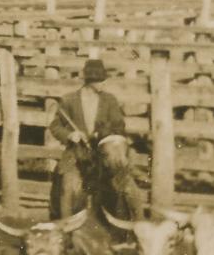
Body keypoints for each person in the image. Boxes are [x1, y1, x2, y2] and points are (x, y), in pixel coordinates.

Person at [48, 58, 145, 222]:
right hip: (77, 154)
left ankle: (139, 223)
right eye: (100, 81)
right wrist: (70, 135)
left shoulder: (110, 100)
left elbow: (118, 126)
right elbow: (55, 127)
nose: (103, 84)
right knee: (67, 186)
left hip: (105, 155)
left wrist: (100, 134)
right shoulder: (69, 100)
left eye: (103, 80)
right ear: (90, 81)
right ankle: (64, 227)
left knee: (126, 184)